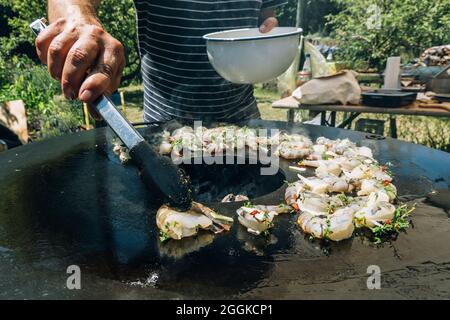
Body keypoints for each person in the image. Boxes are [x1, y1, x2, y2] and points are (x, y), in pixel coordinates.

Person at [35, 0, 287, 122]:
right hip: (167, 129)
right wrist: (77, 18)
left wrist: (268, 30)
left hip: (245, 120)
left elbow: (266, 15)